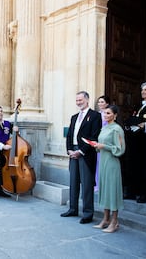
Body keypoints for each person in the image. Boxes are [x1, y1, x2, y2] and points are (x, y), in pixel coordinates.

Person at [61, 91, 102, 224]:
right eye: (77, 100)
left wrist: (81, 151)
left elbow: (94, 136)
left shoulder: (95, 116)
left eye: (81, 100)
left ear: (87, 100)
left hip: (86, 154)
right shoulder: (74, 117)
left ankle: (88, 213)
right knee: (73, 182)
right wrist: (69, 150)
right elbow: (69, 135)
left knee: (86, 184)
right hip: (73, 153)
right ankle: (73, 209)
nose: (78, 102)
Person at [93, 105, 125, 233]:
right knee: (105, 189)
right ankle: (105, 219)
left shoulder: (117, 129)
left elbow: (120, 149)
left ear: (115, 115)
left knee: (112, 191)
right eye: (105, 113)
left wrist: (103, 146)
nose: (105, 115)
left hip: (112, 163)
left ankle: (114, 221)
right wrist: (96, 145)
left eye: (108, 113)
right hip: (103, 161)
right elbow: (102, 144)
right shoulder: (104, 128)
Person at [94, 96, 110, 192]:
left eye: (102, 102)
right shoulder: (96, 114)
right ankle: (96, 183)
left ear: (107, 104)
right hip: (95, 142)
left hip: (103, 142)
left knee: (102, 163)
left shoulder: (107, 115)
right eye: (99, 102)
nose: (100, 104)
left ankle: (103, 185)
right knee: (96, 164)